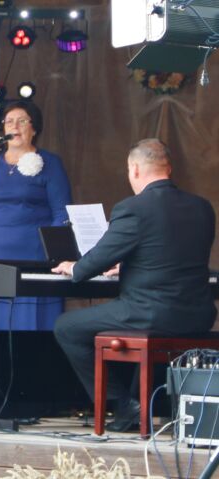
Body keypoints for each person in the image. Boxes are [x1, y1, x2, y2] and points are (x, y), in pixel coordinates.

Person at [52, 138, 217, 432]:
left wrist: (74, 267)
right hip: (197, 314)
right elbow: (169, 255)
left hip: (151, 312)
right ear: (169, 168)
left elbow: (94, 262)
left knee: (67, 326)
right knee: (134, 328)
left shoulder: (133, 208)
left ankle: (123, 404)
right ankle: (140, 406)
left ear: (135, 169)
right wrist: (127, 266)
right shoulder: (202, 208)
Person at [0, 101, 72, 330]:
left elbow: (61, 211)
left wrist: (56, 255)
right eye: (9, 121)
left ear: (34, 128)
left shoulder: (50, 163)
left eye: (22, 121)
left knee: (31, 322)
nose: (15, 126)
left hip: (34, 257)